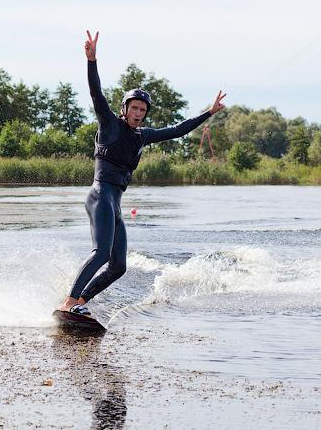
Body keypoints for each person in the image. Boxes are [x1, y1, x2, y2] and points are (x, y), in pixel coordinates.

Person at [58, 30, 227, 315]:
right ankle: (68, 303)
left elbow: (177, 131)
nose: (138, 113)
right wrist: (92, 61)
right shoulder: (109, 124)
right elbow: (96, 92)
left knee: (118, 266)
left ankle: (81, 303)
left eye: (142, 110)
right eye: (134, 108)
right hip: (100, 195)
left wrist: (209, 112)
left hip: (115, 203)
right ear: (124, 109)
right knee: (101, 253)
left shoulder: (143, 136)